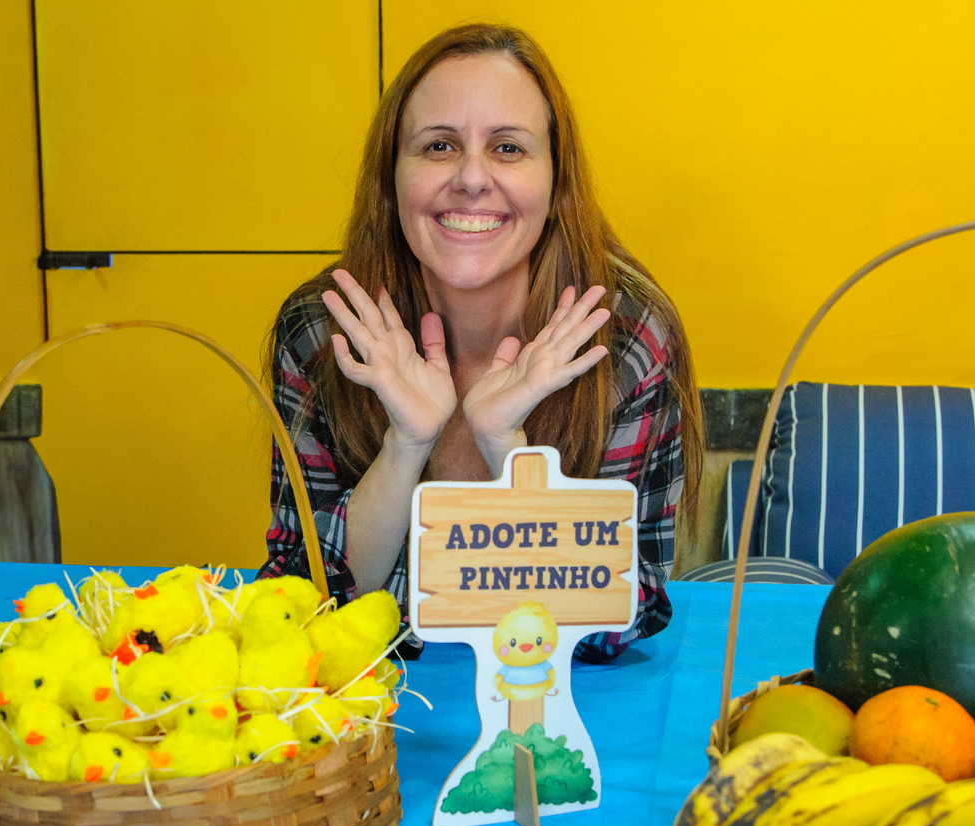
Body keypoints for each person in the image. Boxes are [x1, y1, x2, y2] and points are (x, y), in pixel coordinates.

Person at [260, 23, 703, 663]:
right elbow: (301, 609)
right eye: (439, 146)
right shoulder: (322, 330)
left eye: (508, 149)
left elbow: (616, 621)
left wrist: (509, 455)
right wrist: (404, 448)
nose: (471, 178)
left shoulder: (626, 335)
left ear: (557, 185)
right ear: (391, 182)